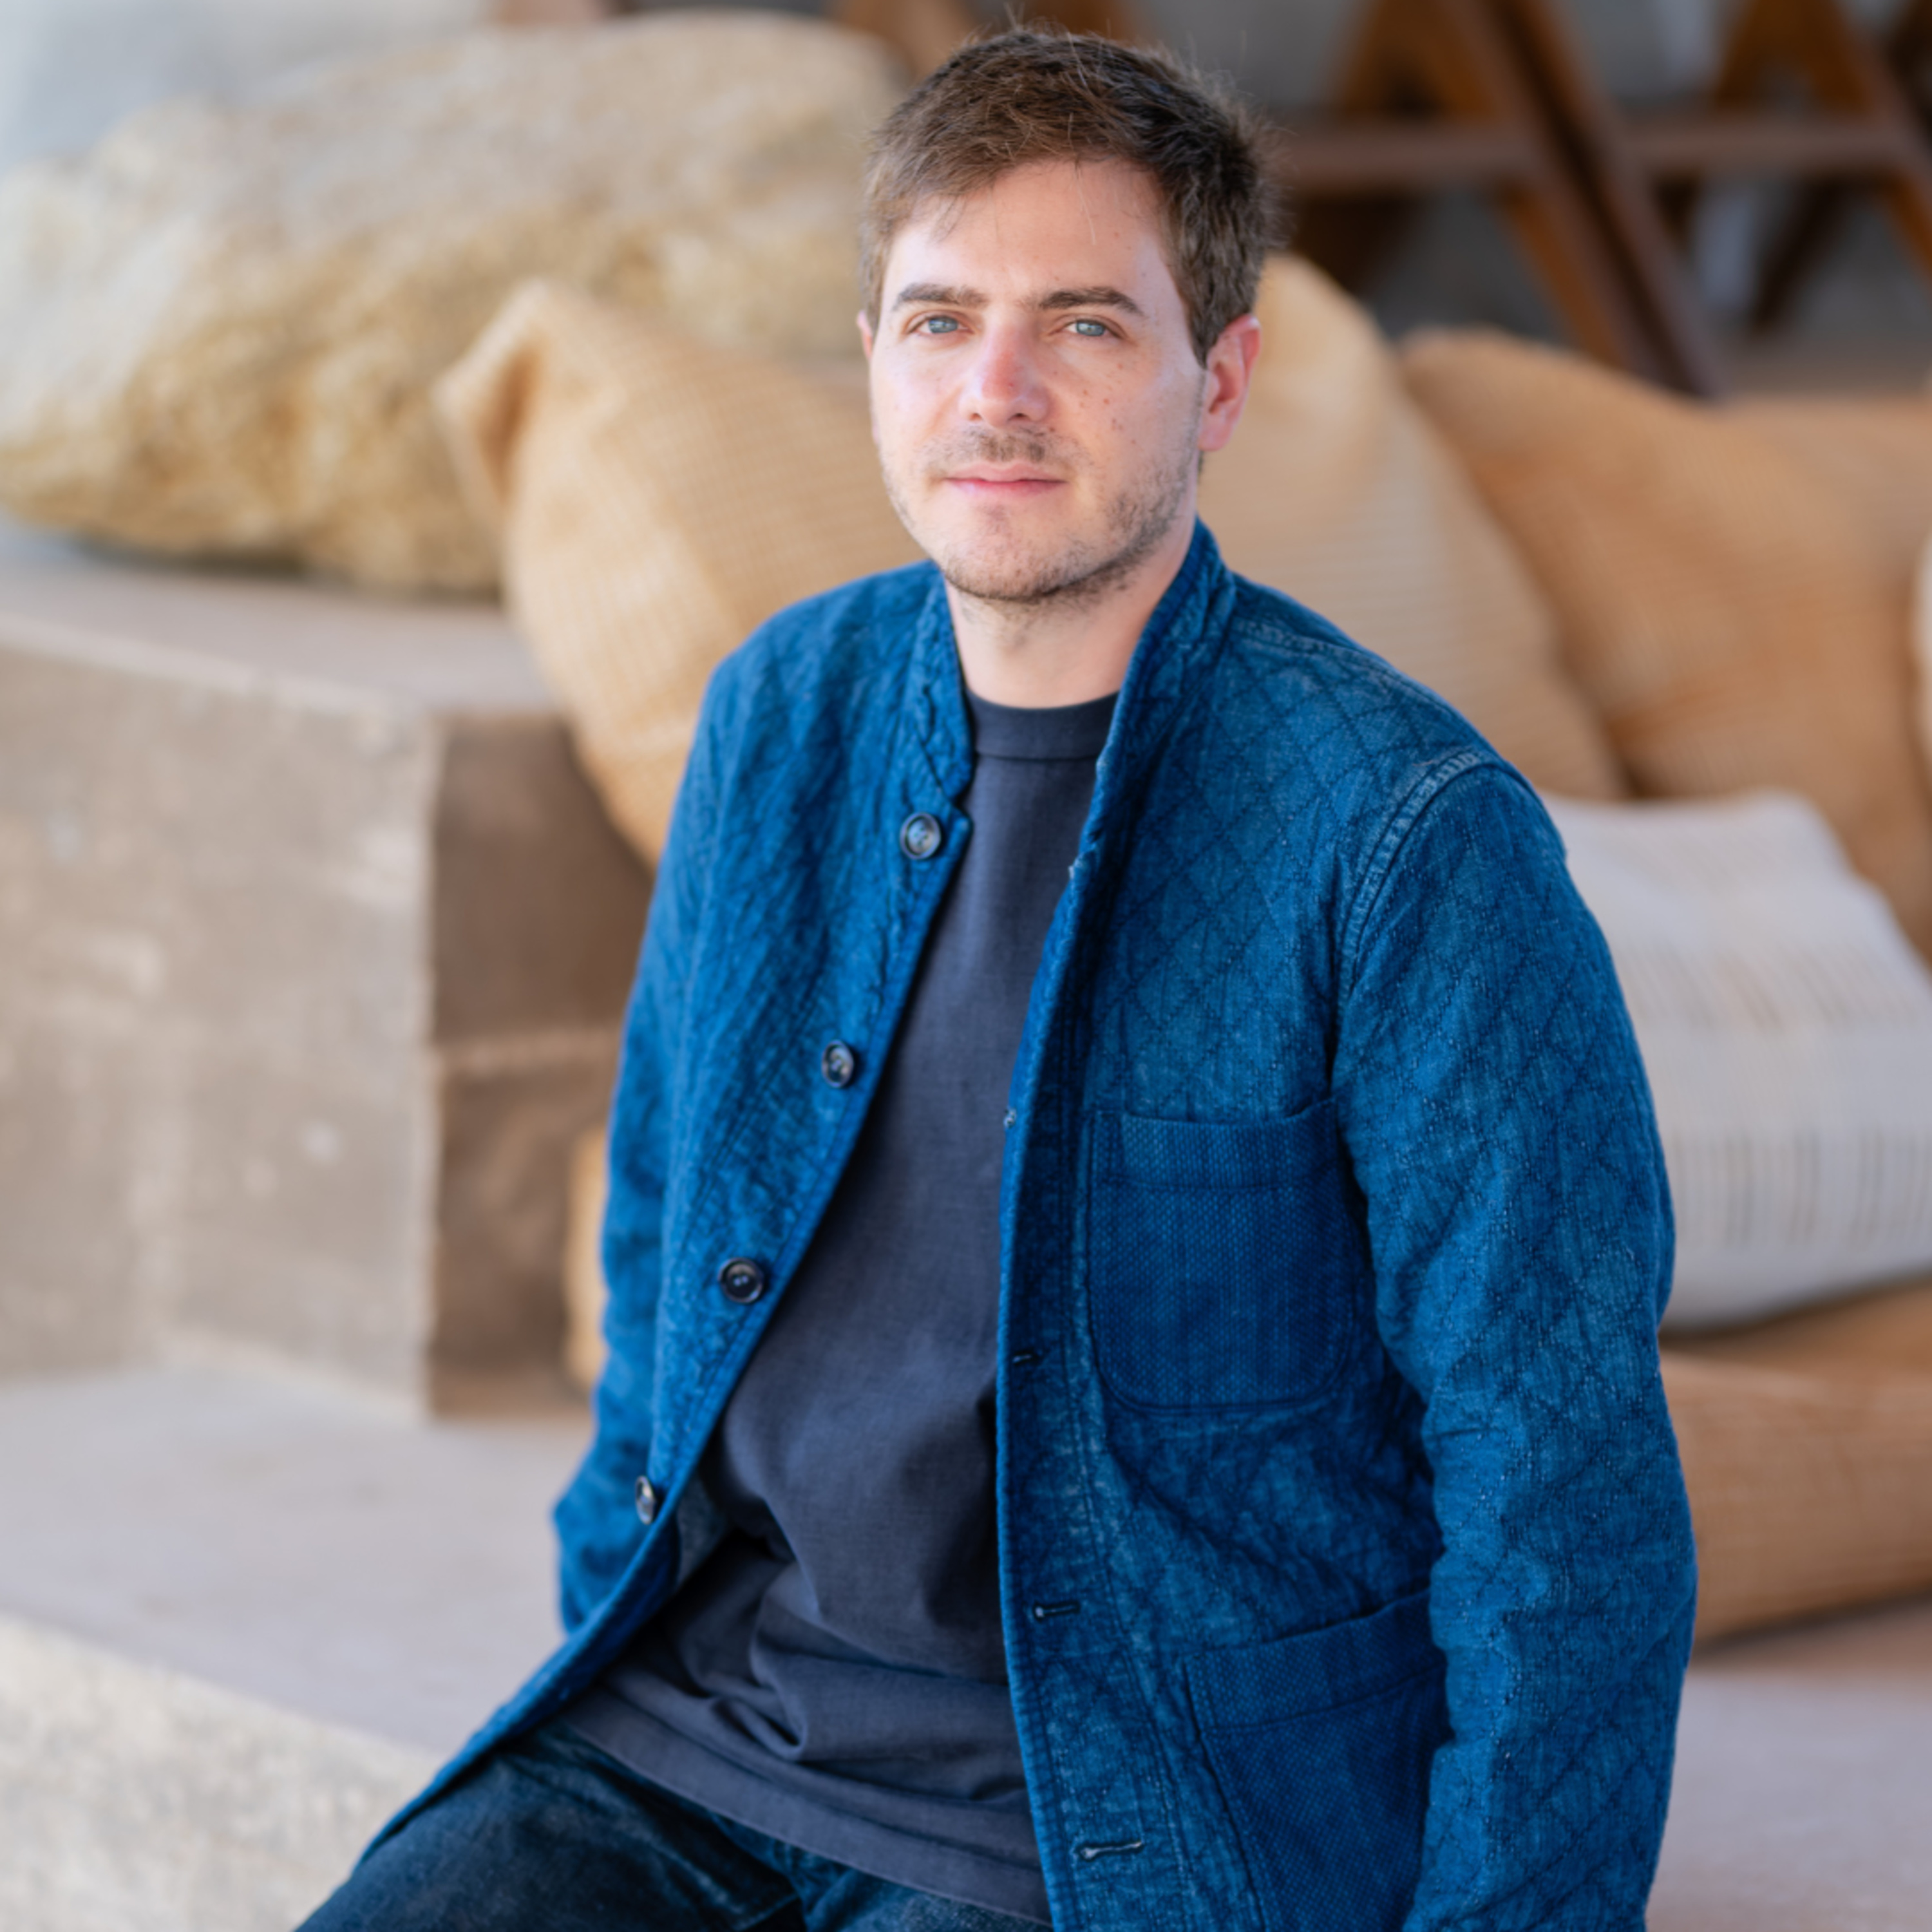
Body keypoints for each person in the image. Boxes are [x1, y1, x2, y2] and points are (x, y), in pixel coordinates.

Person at [303, 27, 1696, 1932]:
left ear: (1221, 381)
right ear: (873, 357)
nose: (997, 393)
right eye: (940, 320)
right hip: (696, 1744)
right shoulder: (777, 717)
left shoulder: (1405, 835)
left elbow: (1562, 1475)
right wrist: (605, 1610)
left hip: (1107, 1826)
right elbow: (662, 1228)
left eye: (1086, 327)